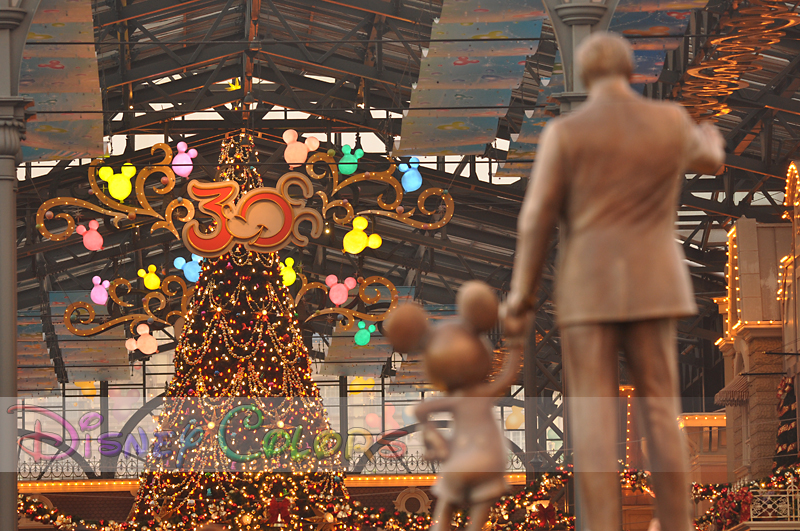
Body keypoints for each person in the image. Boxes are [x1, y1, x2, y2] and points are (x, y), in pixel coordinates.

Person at [502, 32, 725, 531]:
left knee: (595, 421)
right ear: (631, 72)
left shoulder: (567, 134)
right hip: (655, 282)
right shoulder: (666, 121)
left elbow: (537, 218)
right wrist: (710, 133)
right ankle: (677, 524)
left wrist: (521, 294)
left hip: (588, 287)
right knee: (661, 410)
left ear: (585, 76)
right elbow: (710, 159)